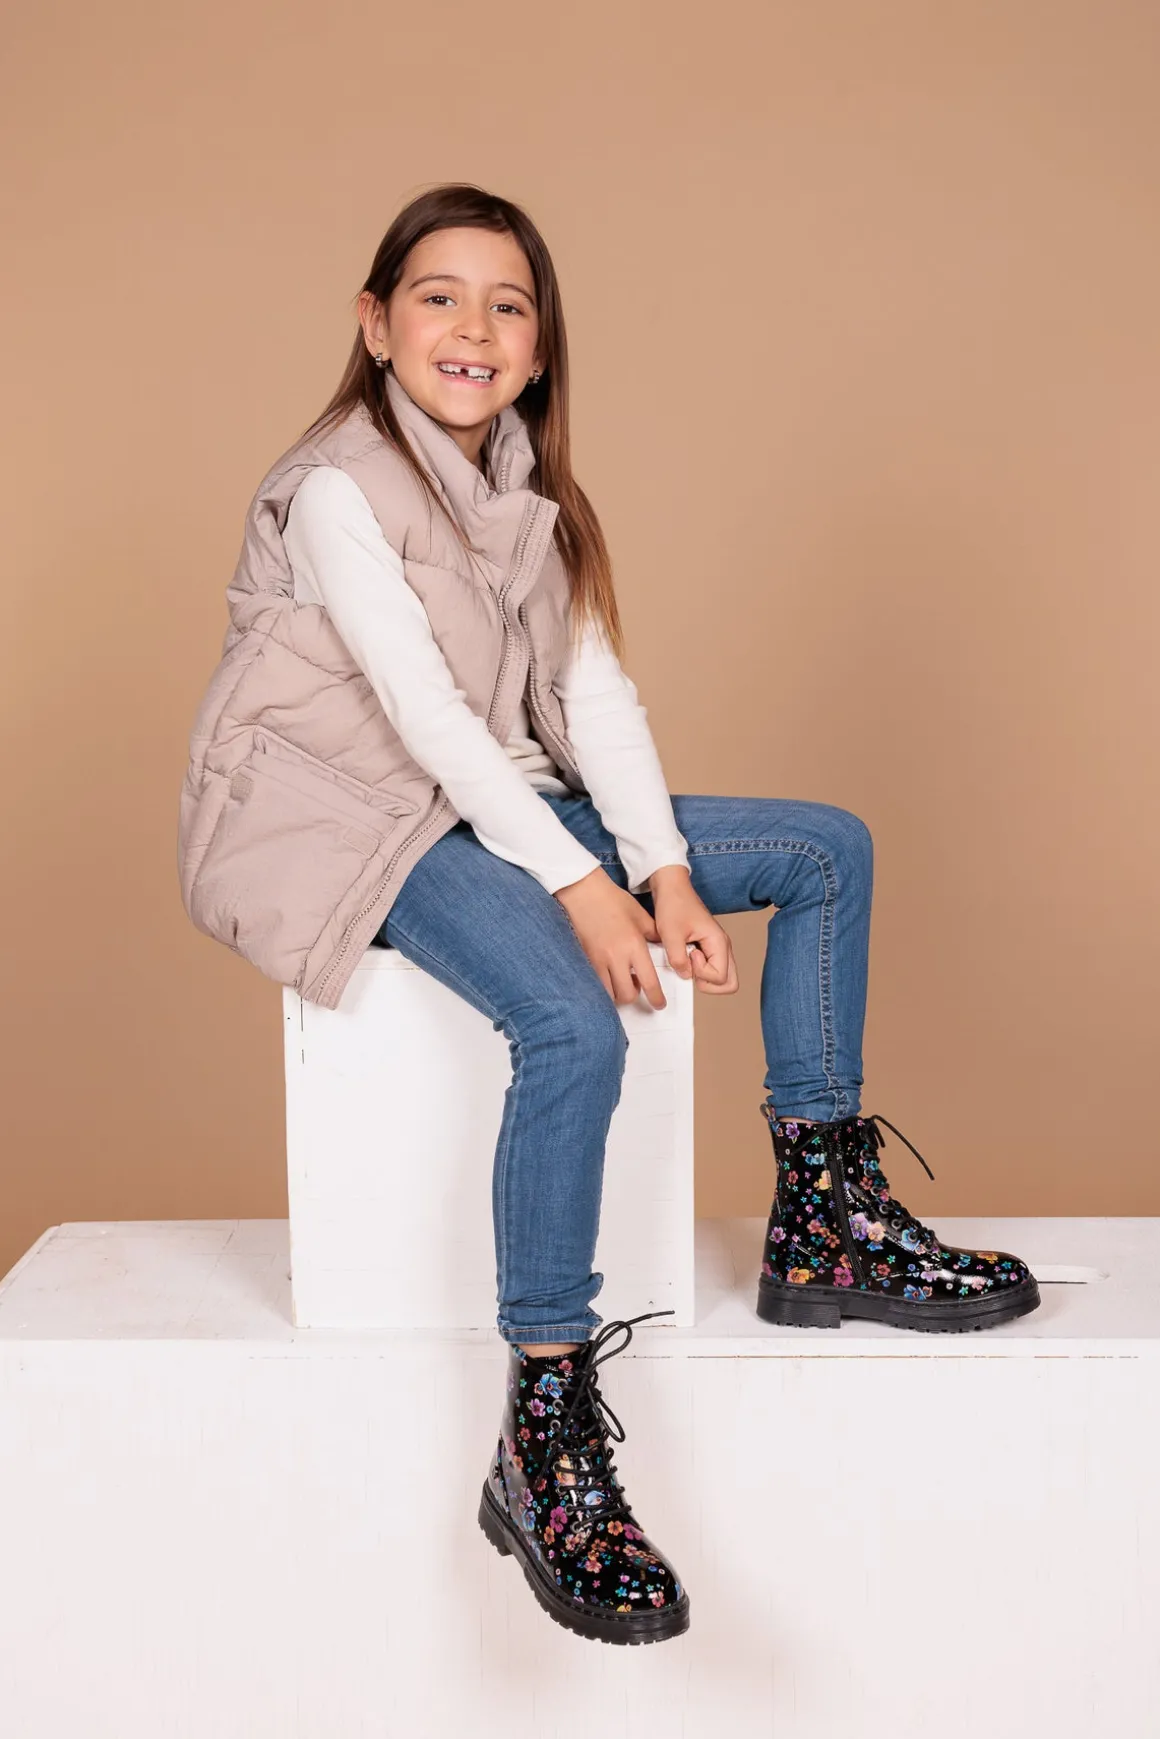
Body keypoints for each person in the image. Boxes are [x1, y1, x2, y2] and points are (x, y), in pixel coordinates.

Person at [179, 182, 1038, 1647]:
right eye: (438, 296)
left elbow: (596, 699)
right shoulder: (335, 488)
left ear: (538, 346)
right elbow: (427, 722)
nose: (474, 327)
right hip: (351, 824)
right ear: (375, 324)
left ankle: (825, 1221)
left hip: (498, 806)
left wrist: (663, 870)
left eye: (508, 305)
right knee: (573, 1021)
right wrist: (585, 887)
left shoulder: (539, 502)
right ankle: (545, 1421)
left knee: (824, 852)